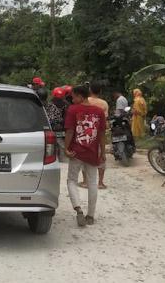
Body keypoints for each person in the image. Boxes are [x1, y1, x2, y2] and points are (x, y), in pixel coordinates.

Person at [64, 84, 107, 227]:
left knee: (71, 180)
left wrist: (66, 148)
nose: (72, 99)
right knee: (93, 182)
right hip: (92, 152)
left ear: (80, 96)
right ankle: (91, 216)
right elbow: (101, 134)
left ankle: (78, 209)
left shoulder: (73, 110)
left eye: (74, 96)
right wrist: (103, 152)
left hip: (76, 151)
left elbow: (70, 131)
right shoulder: (99, 112)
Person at [81, 81, 109, 189]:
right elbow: (105, 120)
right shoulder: (104, 103)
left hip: (86, 132)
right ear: (100, 91)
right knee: (101, 155)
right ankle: (100, 182)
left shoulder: (85, 101)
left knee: (84, 156)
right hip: (99, 133)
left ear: (90, 90)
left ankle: (85, 181)